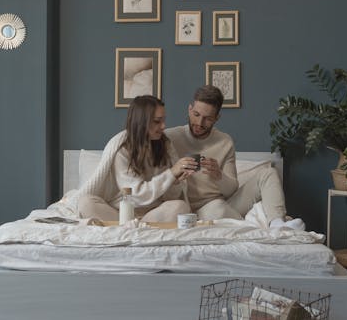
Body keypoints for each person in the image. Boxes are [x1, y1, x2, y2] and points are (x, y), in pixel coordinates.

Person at [165, 85, 304, 229]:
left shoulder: (225, 142)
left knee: (268, 174)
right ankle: (252, 224)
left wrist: (219, 175)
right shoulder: (170, 137)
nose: (199, 123)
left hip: (222, 205)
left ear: (217, 118)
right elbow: (156, 180)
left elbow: (231, 190)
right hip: (186, 210)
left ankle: (277, 223)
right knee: (216, 209)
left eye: (207, 119)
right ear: (189, 109)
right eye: (196, 114)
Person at [78, 95, 195, 222]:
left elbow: (170, 197)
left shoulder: (165, 144)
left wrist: (175, 181)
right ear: (142, 122)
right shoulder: (121, 149)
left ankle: (134, 228)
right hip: (121, 213)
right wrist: (171, 173)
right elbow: (136, 195)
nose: (163, 126)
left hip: (153, 213)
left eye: (163, 120)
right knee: (86, 203)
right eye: (157, 121)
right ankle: (137, 228)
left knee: (180, 206)